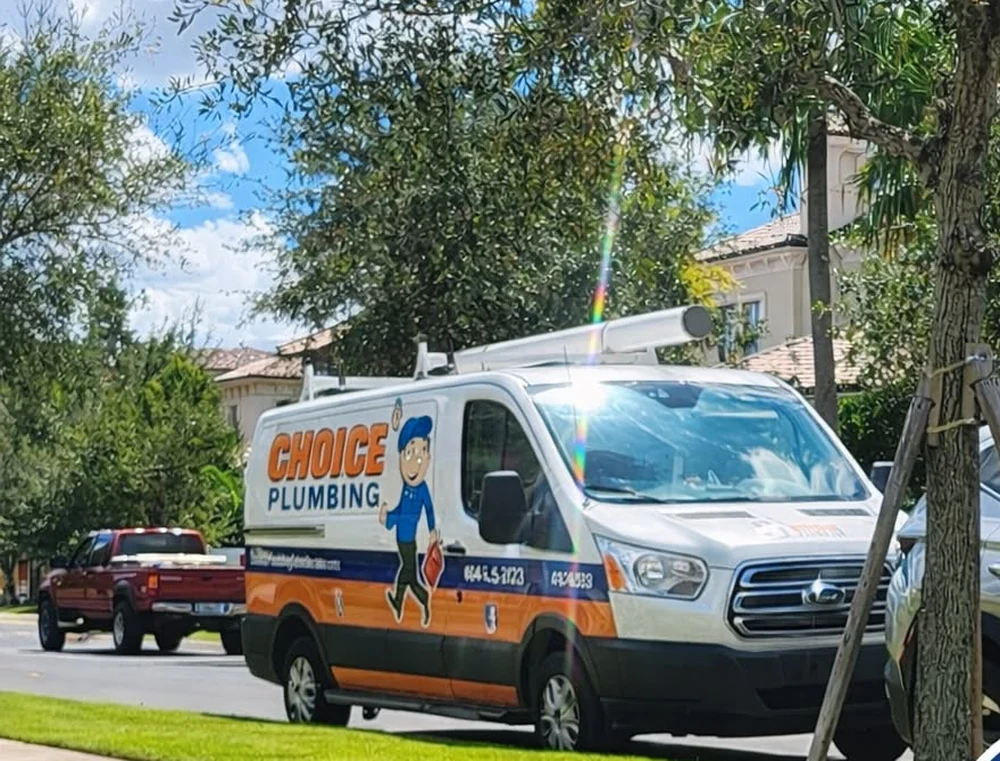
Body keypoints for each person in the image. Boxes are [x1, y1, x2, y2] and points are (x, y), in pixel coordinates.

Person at [379, 414, 439, 627]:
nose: (418, 459)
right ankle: (402, 601)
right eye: (411, 452)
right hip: (401, 537)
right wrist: (387, 518)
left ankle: (420, 602)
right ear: (402, 457)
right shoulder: (405, 489)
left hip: (409, 539)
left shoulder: (421, 489)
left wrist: (433, 530)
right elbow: (399, 511)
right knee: (408, 571)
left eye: (423, 451)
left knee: (409, 574)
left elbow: (430, 509)